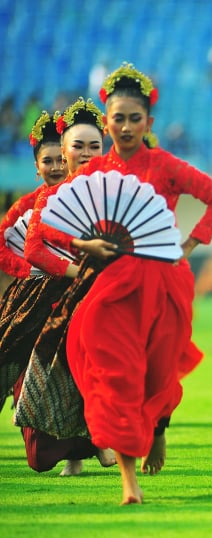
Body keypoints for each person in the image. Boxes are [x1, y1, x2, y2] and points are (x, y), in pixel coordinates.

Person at [59, 63, 212, 504]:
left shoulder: (164, 164)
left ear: (149, 123)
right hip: (112, 288)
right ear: (107, 120)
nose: (126, 126)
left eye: (135, 118)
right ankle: (128, 481)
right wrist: (88, 245)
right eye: (118, 118)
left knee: (158, 374)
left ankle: (158, 426)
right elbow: (51, 226)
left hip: (164, 284)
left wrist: (189, 246)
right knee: (119, 377)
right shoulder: (93, 172)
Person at [10, 102, 114, 476]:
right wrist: (76, 272)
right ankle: (74, 450)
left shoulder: (115, 189)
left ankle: (102, 440)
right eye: (76, 148)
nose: (83, 155)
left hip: (103, 294)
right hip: (53, 297)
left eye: (93, 147)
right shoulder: (44, 198)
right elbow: (32, 248)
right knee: (55, 377)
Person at [0, 111, 68, 415]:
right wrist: (30, 271)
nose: (55, 167)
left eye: (60, 159)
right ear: (37, 168)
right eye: (47, 161)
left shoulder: (83, 198)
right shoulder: (26, 205)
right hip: (32, 296)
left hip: (71, 294)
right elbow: (2, 243)